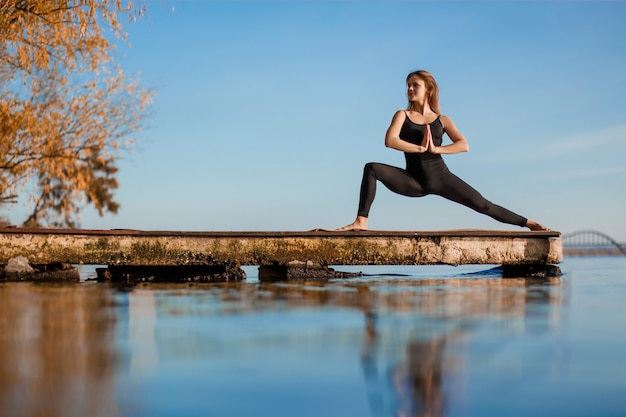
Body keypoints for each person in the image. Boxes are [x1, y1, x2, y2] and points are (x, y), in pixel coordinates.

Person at [336, 70, 548, 232]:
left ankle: (528, 223)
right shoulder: (402, 115)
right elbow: (390, 141)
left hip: (442, 178)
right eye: (408, 85)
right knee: (372, 168)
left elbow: (463, 145)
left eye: (414, 85)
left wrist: (437, 149)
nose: (409, 89)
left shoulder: (442, 120)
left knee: (483, 205)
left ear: (428, 89)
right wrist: (419, 148)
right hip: (413, 181)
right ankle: (361, 221)